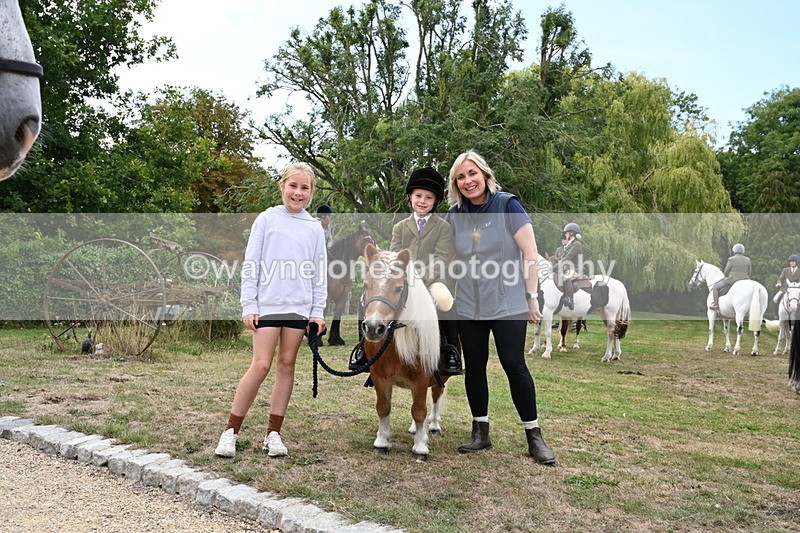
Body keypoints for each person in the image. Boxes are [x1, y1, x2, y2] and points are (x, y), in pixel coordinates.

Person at [446, 149, 556, 466]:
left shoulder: (508, 205)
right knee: (475, 366)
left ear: (485, 174)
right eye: (461, 177)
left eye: (472, 174)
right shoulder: (455, 214)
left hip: (508, 301)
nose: (468, 181)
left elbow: (531, 254)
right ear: (456, 183)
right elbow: (450, 258)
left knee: (513, 363)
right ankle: (480, 431)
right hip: (468, 303)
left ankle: (534, 436)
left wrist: (532, 297)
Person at [215, 162, 327, 459]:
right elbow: (251, 264)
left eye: (305, 188)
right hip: (267, 305)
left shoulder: (314, 228)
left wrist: (317, 312)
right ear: (282, 186)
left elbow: (319, 273)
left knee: (286, 364)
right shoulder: (267, 219)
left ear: (311, 192)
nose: (298, 193)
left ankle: (273, 433)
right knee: (261, 364)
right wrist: (249, 305)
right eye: (293, 186)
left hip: (298, 307)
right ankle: (231, 431)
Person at [389, 167, 461, 376]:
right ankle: (364, 351)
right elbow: (395, 256)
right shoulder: (400, 227)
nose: (422, 201)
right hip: (402, 279)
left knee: (446, 300)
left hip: (432, 280)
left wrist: (420, 276)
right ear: (410, 197)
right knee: (369, 299)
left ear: (435, 201)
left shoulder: (443, 227)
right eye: (418, 195)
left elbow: (440, 259)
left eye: (428, 197)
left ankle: (452, 351)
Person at [710, 243, 751, 310]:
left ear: (734, 251)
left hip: (733, 279)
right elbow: (749, 272)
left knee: (715, 287)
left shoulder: (731, 259)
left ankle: (715, 304)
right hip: (746, 279)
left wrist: (726, 277)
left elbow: (726, 271)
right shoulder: (748, 260)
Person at [552, 222, 583, 310]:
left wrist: (555, 267)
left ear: (571, 233)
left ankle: (570, 299)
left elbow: (568, 258)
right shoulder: (568, 245)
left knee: (566, 277)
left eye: (566, 233)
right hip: (567, 268)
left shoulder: (576, 244)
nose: (564, 234)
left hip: (575, 270)